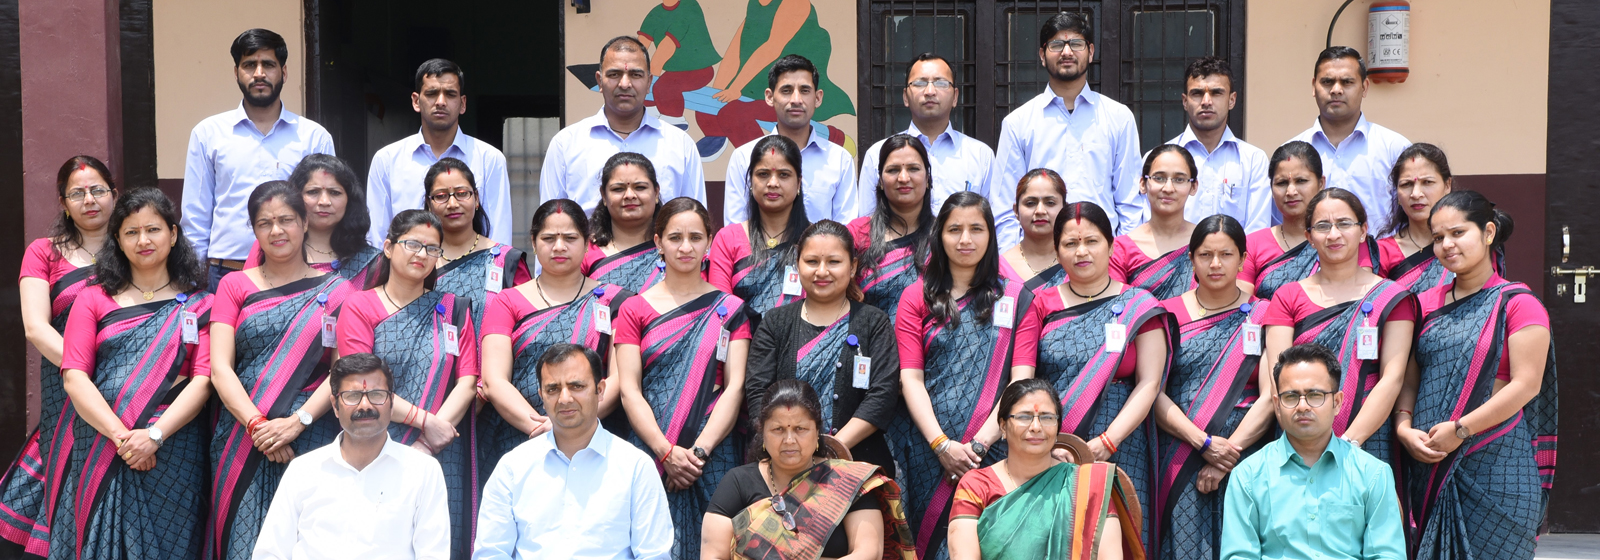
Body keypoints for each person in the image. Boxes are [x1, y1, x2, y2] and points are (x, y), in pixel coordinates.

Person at [51, 188, 214, 559]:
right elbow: (74, 376)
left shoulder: (202, 304)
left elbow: (203, 381)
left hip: (174, 446)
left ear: (173, 234)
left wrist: (154, 435)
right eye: (131, 232)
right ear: (117, 240)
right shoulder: (93, 298)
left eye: (153, 229)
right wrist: (123, 438)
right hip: (103, 441)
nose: (143, 240)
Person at [1398, 191, 1556, 560]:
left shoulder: (1518, 303)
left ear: (1487, 233)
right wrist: (1404, 428)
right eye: (1438, 237)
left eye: (1457, 233)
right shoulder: (1423, 304)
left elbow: (1526, 385)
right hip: (1430, 460)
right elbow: (1410, 380)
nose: (1446, 245)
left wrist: (1461, 430)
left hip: (1498, 464)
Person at [1012, 201, 1169, 549]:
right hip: (1053, 444)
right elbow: (1024, 382)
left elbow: (1149, 383)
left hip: (1123, 443)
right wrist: (1050, 443)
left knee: (1119, 540)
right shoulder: (1040, 303)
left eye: (1092, 241)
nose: (1081, 252)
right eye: (1070, 243)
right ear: (1057, 252)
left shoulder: (1139, 304)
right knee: (1056, 540)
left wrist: (1108, 441)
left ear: (1111, 246)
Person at [206, 181, 350, 559]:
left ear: (305, 223)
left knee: (310, 542)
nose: (276, 231)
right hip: (242, 435)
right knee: (242, 541)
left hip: (311, 435)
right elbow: (220, 369)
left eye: (286, 220)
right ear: (253, 230)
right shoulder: (234, 285)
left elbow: (342, 372)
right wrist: (258, 425)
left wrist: (297, 423)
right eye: (264, 223)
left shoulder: (339, 291)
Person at [888, 192, 1029, 560]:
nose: (965, 239)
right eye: (954, 230)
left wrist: (978, 446)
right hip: (926, 448)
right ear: (939, 236)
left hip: (994, 449)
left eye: (976, 229)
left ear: (991, 235)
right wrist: (942, 445)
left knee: (990, 543)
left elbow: (1020, 382)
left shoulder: (1018, 298)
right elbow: (910, 379)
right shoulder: (915, 297)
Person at [335, 210, 480, 560]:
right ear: (388, 247)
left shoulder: (453, 309)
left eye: (432, 249)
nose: (422, 254)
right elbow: (361, 385)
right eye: (412, 244)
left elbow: (467, 381)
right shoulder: (359, 306)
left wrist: (430, 441)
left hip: (442, 448)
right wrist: (426, 422)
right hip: (376, 441)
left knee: (437, 541)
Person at [614, 197, 751, 560]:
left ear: (710, 241)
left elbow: (735, 386)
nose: (686, 247)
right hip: (650, 448)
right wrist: (665, 451)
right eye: (675, 238)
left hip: (713, 452)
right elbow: (629, 390)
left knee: (718, 548)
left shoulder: (730, 309)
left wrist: (699, 452)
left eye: (695, 237)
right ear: (658, 242)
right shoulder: (634, 309)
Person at [0, 156, 116, 556]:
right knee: (66, 462)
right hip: (66, 379)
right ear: (64, 203)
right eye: (77, 193)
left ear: (114, 194)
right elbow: (36, 327)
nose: (90, 200)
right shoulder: (44, 253)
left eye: (98, 190)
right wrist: (85, 370)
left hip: (127, 381)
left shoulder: (135, 247)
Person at [477, 199, 633, 490]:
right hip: (521, 439)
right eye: (548, 238)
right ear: (534, 243)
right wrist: (544, 428)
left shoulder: (615, 301)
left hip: (594, 441)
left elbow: (621, 376)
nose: (559, 247)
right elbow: (493, 380)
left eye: (570, 238)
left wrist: (572, 425)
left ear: (587, 243)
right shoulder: (507, 301)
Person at [1260, 188, 1415, 464]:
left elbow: (1392, 378)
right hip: (1298, 435)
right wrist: (1305, 441)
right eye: (1322, 226)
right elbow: (1278, 378)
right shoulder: (1287, 296)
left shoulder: (1391, 297)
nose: (1333, 234)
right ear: (1309, 237)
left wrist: (1348, 443)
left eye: (1344, 224)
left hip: (1367, 439)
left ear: (1363, 230)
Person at [1152, 215, 1276, 560]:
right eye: (1205, 255)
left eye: (1226, 254)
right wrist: (1202, 442)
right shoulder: (1166, 314)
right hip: (1179, 450)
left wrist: (1226, 455)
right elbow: (1153, 392)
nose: (1216, 264)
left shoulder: (1263, 314)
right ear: (1191, 259)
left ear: (1243, 259)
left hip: (1245, 454)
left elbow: (1271, 396)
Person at [475, 344, 673, 560]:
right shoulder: (513, 468)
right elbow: (491, 553)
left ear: (600, 390)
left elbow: (654, 555)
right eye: (553, 389)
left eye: (576, 386)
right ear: (541, 395)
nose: (565, 399)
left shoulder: (635, 467)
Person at [253, 353, 451, 560]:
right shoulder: (303, 471)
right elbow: (270, 554)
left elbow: (433, 554)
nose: (365, 405)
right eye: (352, 396)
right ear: (335, 406)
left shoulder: (422, 471)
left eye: (376, 394)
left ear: (392, 403)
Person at [182, 28, 336, 292]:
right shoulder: (208, 134)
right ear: (236, 72)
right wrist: (192, 282)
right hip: (226, 272)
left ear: (284, 72)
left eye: (268, 64)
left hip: (296, 272)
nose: (259, 73)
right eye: (249, 65)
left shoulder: (313, 137)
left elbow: (324, 211)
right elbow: (196, 216)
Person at [1220, 343, 1406, 560]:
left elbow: (1387, 554)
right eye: (1291, 396)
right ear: (1277, 404)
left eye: (1315, 395)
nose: (1302, 406)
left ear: (1337, 402)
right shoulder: (1248, 476)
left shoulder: (1372, 474)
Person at [744, 221, 901, 476]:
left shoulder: (873, 322)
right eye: (812, 261)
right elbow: (758, 394)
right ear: (797, 264)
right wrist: (796, 447)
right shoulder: (775, 323)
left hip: (858, 466)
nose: (822, 271)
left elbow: (882, 394)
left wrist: (832, 448)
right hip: (784, 464)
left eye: (834, 262)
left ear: (853, 267)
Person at [704, 379, 915, 560]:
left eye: (800, 429)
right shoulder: (738, 483)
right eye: (778, 429)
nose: (789, 440)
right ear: (763, 435)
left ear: (817, 433)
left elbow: (869, 553)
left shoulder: (850, 482)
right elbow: (713, 555)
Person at [948, 378, 1145, 560]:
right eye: (1024, 417)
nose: (1036, 426)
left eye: (1047, 417)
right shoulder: (977, 485)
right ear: (1003, 427)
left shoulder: (1089, 487)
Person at [990, 13, 1143, 236]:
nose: (1067, 52)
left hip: (1102, 250)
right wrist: (1017, 257)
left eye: (1076, 43)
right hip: (1038, 250)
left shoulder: (1119, 118)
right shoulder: (1018, 123)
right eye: (1057, 45)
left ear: (1091, 52)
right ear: (1042, 55)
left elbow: (1130, 203)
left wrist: (1120, 254)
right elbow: (1004, 208)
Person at [542, 37, 705, 214]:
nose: (625, 84)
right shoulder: (566, 144)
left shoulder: (680, 145)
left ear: (649, 82)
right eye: (614, 75)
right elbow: (551, 221)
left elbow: (695, 218)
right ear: (599, 81)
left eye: (636, 75)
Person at [858, 53, 1008, 245]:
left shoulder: (980, 155)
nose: (930, 91)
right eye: (920, 83)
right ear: (905, 96)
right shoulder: (878, 154)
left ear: (955, 97)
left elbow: (993, 223)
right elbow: (867, 225)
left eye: (941, 83)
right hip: (894, 259)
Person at [366, 59, 512, 246]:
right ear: (416, 101)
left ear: (463, 104)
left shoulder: (489, 159)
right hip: (406, 265)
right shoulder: (387, 160)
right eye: (432, 93)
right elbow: (377, 239)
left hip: (474, 264)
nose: (441, 102)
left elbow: (499, 237)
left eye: (450, 94)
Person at [698, 0, 853, 152]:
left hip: (795, 89)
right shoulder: (755, 5)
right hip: (759, 84)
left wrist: (735, 88)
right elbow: (734, 52)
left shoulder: (796, 3)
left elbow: (772, 47)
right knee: (705, 109)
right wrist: (717, 91)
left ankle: (768, 160)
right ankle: (720, 139)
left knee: (733, 113)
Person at [723, 55, 858, 225]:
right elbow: (735, 230)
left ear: (818, 98)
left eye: (804, 90)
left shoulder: (840, 160)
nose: (796, 100)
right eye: (786, 90)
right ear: (769, 97)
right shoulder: (744, 157)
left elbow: (846, 231)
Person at [1289, 46, 1412, 234]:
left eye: (1347, 82)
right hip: (1308, 253)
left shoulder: (1394, 148)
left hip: (1381, 253)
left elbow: (1410, 220)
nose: (1336, 90)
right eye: (1327, 82)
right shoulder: (1292, 154)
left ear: (1364, 87)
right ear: (1314, 86)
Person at [423, 158, 531, 331]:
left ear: (476, 198)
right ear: (429, 204)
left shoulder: (505, 261)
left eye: (462, 193)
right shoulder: (418, 260)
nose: (452, 204)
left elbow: (526, 327)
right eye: (441, 196)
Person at [710, 135, 809, 323]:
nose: (773, 183)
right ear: (750, 181)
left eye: (784, 175)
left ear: (798, 183)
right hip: (739, 339)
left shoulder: (815, 240)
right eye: (763, 174)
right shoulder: (727, 239)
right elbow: (720, 309)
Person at [242, 155, 382, 287]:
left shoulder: (369, 261)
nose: (324, 201)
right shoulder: (272, 246)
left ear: (349, 200)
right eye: (313, 192)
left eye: (335, 193)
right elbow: (247, 292)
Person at [1167, 56, 1271, 231]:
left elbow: (1257, 232)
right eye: (1197, 93)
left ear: (1232, 100)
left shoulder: (1254, 161)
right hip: (1176, 250)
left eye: (1216, 93)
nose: (1206, 101)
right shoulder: (1161, 160)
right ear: (1185, 101)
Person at [1377, 144, 1493, 293]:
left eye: (1427, 182)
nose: (1416, 194)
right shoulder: (1382, 252)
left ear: (1447, 185)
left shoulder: (1474, 240)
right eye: (1406, 184)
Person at [849, 134, 935, 322]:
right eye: (893, 170)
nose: (903, 178)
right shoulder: (858, 234)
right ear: (880, 180)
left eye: (913, 169)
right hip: (869, 337)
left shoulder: (945, 235)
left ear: (928, 178)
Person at [1110, 146, 1200, 300]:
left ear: (1193, 186)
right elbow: (1115, 307)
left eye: (1179, 179)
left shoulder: (1206, 243)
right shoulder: (1121, 249)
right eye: (1159, 178)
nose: (1168, 188)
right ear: (1143, 184)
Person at [1241, 142, 1327, 300]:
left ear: (1321, 183)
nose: (1291, 191)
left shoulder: (1338, 238)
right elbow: (1241, 306)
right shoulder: (1252, 244)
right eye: (1282, 183)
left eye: (1301, 181)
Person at [583, 152, 667, 293]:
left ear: (656, 192)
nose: (629, 195)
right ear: (604, 195)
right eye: (618, 189)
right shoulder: (584, 250)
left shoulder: (675, 246)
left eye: (640, 187)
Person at [637, 0, 721, 131]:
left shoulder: (689, 6)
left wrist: (650, 76)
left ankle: (675, 123)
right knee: (647, 89)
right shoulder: (656, 12)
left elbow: (666, 48)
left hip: (699, 70)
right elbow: (640, 46)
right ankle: (650, 119)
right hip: (673, 72)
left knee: (664, 87)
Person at [998, 169, 1067, 290]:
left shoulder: (1076, 263)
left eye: (1050, 203)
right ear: (1016, 211)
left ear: (1064, 208)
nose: (1040, 211)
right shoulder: (998, 269)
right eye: (1030, 203)